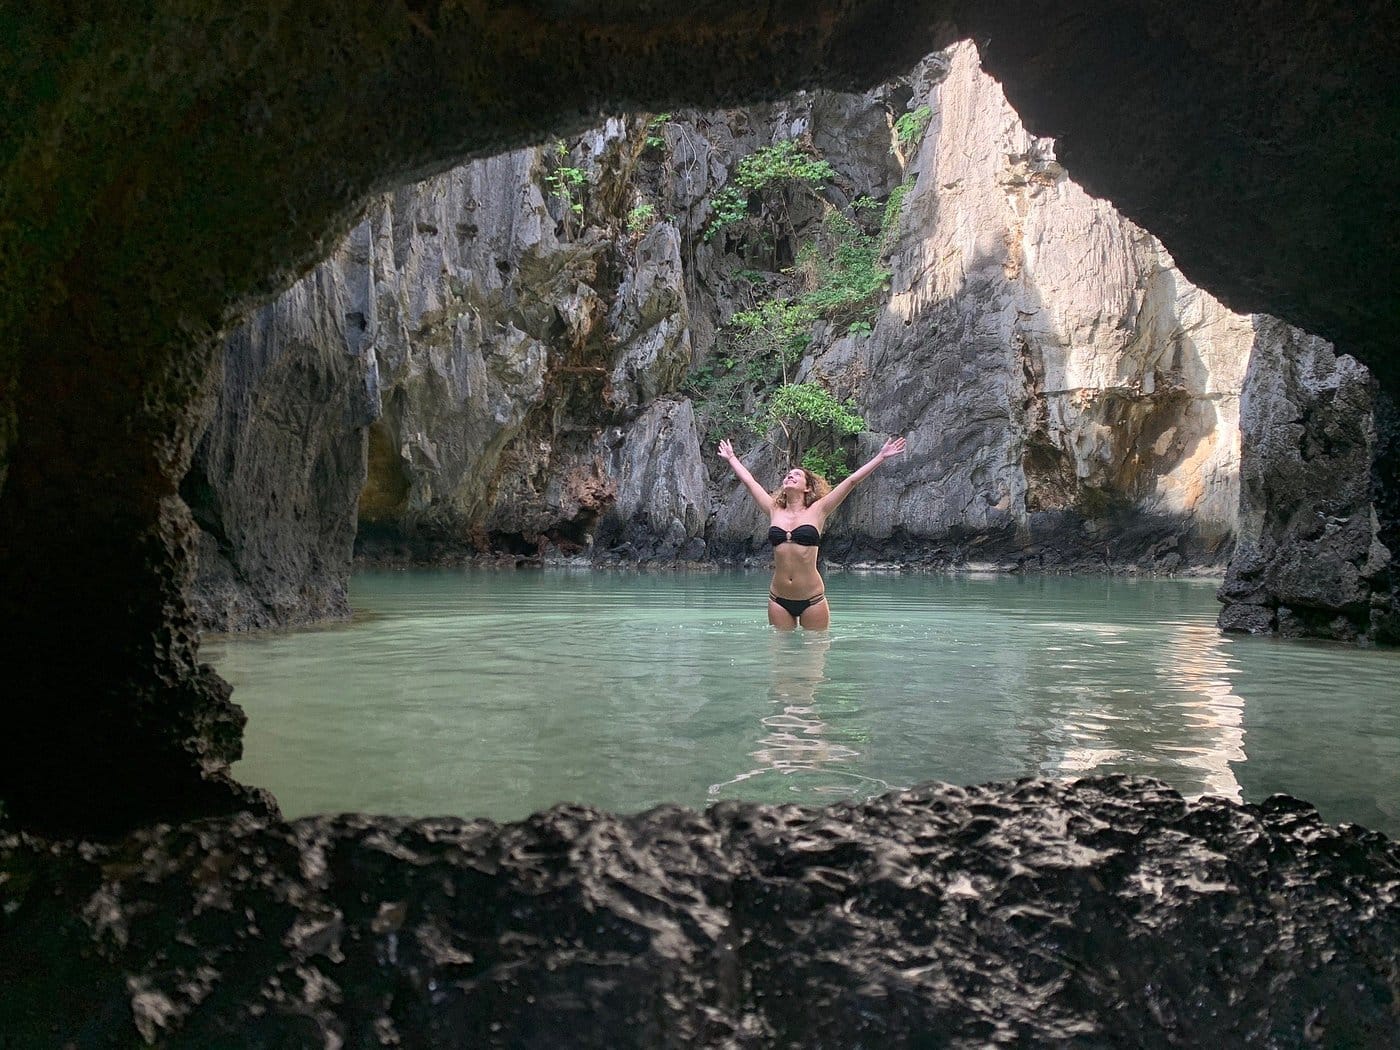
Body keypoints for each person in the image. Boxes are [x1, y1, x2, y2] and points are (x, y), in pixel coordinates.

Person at [718, 435, 907, 629]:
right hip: (778, 599)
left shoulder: (819, 510)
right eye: (788, 475)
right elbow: (750, 483)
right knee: (781, 657)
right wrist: (732, 458)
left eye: (797, 475)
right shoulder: (774, 509)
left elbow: (851, 481)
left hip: (812, 599)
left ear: (807, 487)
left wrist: (881, 457)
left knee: (814, 656)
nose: (790, 476)